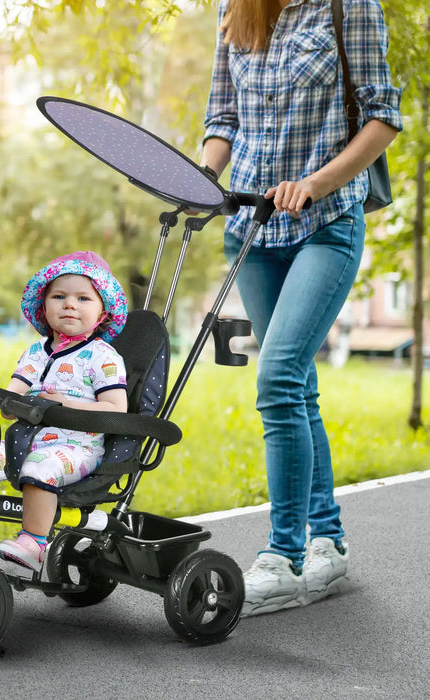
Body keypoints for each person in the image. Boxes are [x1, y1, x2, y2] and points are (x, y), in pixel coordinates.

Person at [200, 0, 402, 616]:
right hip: (253, 228)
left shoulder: (349, 7)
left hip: (325, 222)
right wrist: (201, 176)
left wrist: (316, 182)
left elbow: (383, 117)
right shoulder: (236, 10)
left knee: (279, 376)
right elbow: (223, 116)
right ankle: (328, 544)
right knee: (298, 388)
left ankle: (282, 557)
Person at [0, 251, 129, 571]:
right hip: (26, 439)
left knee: (41, 467)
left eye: (83, 298)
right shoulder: (35, 353)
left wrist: (65, 403)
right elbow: (13, 396)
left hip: (77, 444)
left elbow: (117, 410)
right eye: (59, 296)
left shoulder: (102, 356)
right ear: (45, 305)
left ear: (103, 312)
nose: (70, 304)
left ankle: (35, 542)